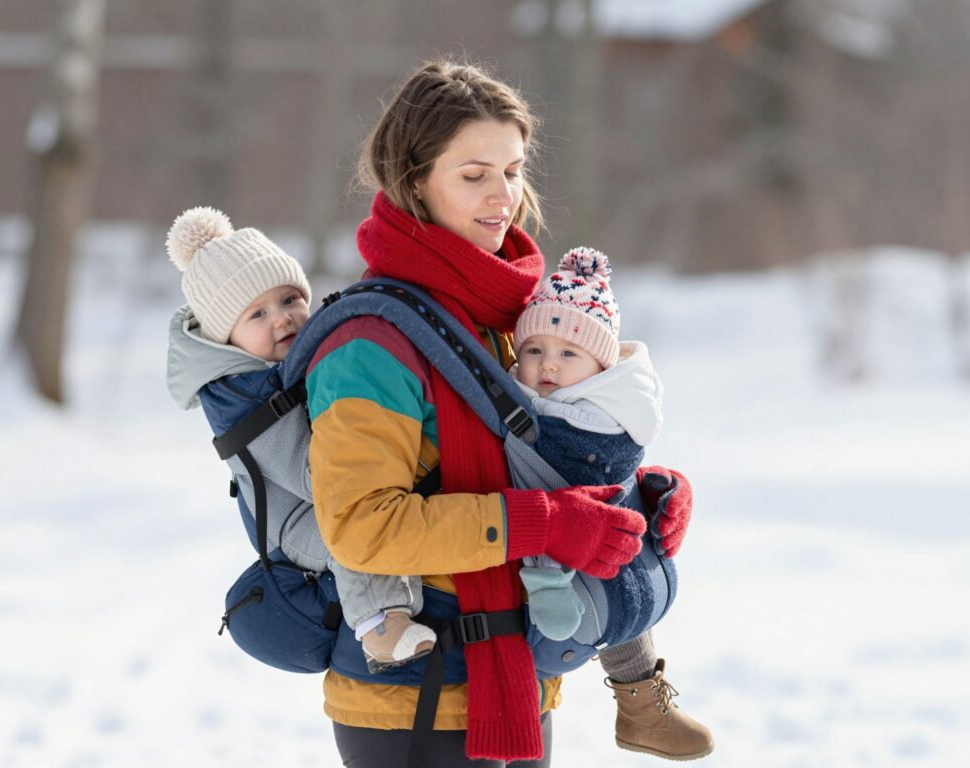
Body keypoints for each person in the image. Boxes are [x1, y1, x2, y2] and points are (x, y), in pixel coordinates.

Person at [306, 58, 647, 767]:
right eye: (474, 175)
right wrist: (548, 524)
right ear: (414, 179)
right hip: (413, 701)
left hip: (515, 680)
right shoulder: (370, 345)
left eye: (514, 170)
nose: (504, 197)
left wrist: (634, 501)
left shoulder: (511, 319)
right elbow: (361, 527)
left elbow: (535, 455)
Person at [164, 206, 437, 671]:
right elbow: (322, 480)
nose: (283, 319)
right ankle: (379, 625)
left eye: (290, 299)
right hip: (293, 527)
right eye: (258, 313)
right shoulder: (242, 402)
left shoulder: (289, 363)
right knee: (353, 528)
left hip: (315, 495)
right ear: (226, 337)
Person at [511, 245, 715, 760]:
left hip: (591, 546)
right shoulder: (529, 408)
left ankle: (641, 700)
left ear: (601, 365)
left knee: (621, 573)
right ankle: (640, 705)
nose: (547, 366)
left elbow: (615, 477)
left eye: (567, 354)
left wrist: (657, 487)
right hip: (537, 564)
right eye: (533, 350)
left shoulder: (605, 410)